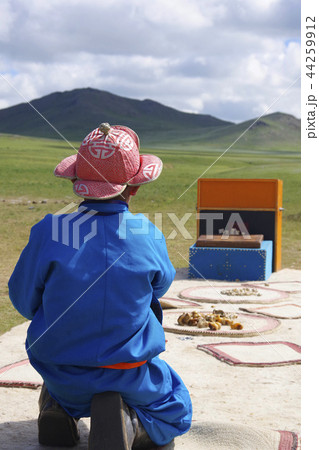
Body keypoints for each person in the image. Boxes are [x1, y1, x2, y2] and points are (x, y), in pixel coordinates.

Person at [8, 123, 192, 449]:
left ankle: (57, 407)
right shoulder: (148, 233)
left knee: (60, 382)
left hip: (58, 367)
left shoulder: (50, 230)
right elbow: (158, 289)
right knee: (174, 406)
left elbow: (24, 301)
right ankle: (130, 424)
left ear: (77, 183)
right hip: (128, 372)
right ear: (133, 188)